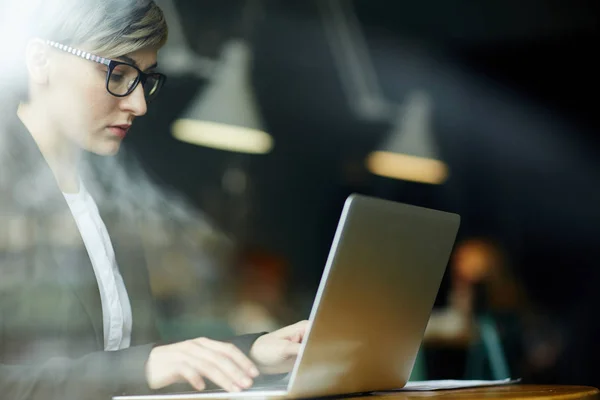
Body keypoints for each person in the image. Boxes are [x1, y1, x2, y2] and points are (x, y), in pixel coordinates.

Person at [0, 1, 307, 399]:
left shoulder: (111, 199)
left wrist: (255, 354)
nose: (139, 103)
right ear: (40, 60)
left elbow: (134, 365)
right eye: (118, 72)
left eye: (144, 79)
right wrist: (142, 366)